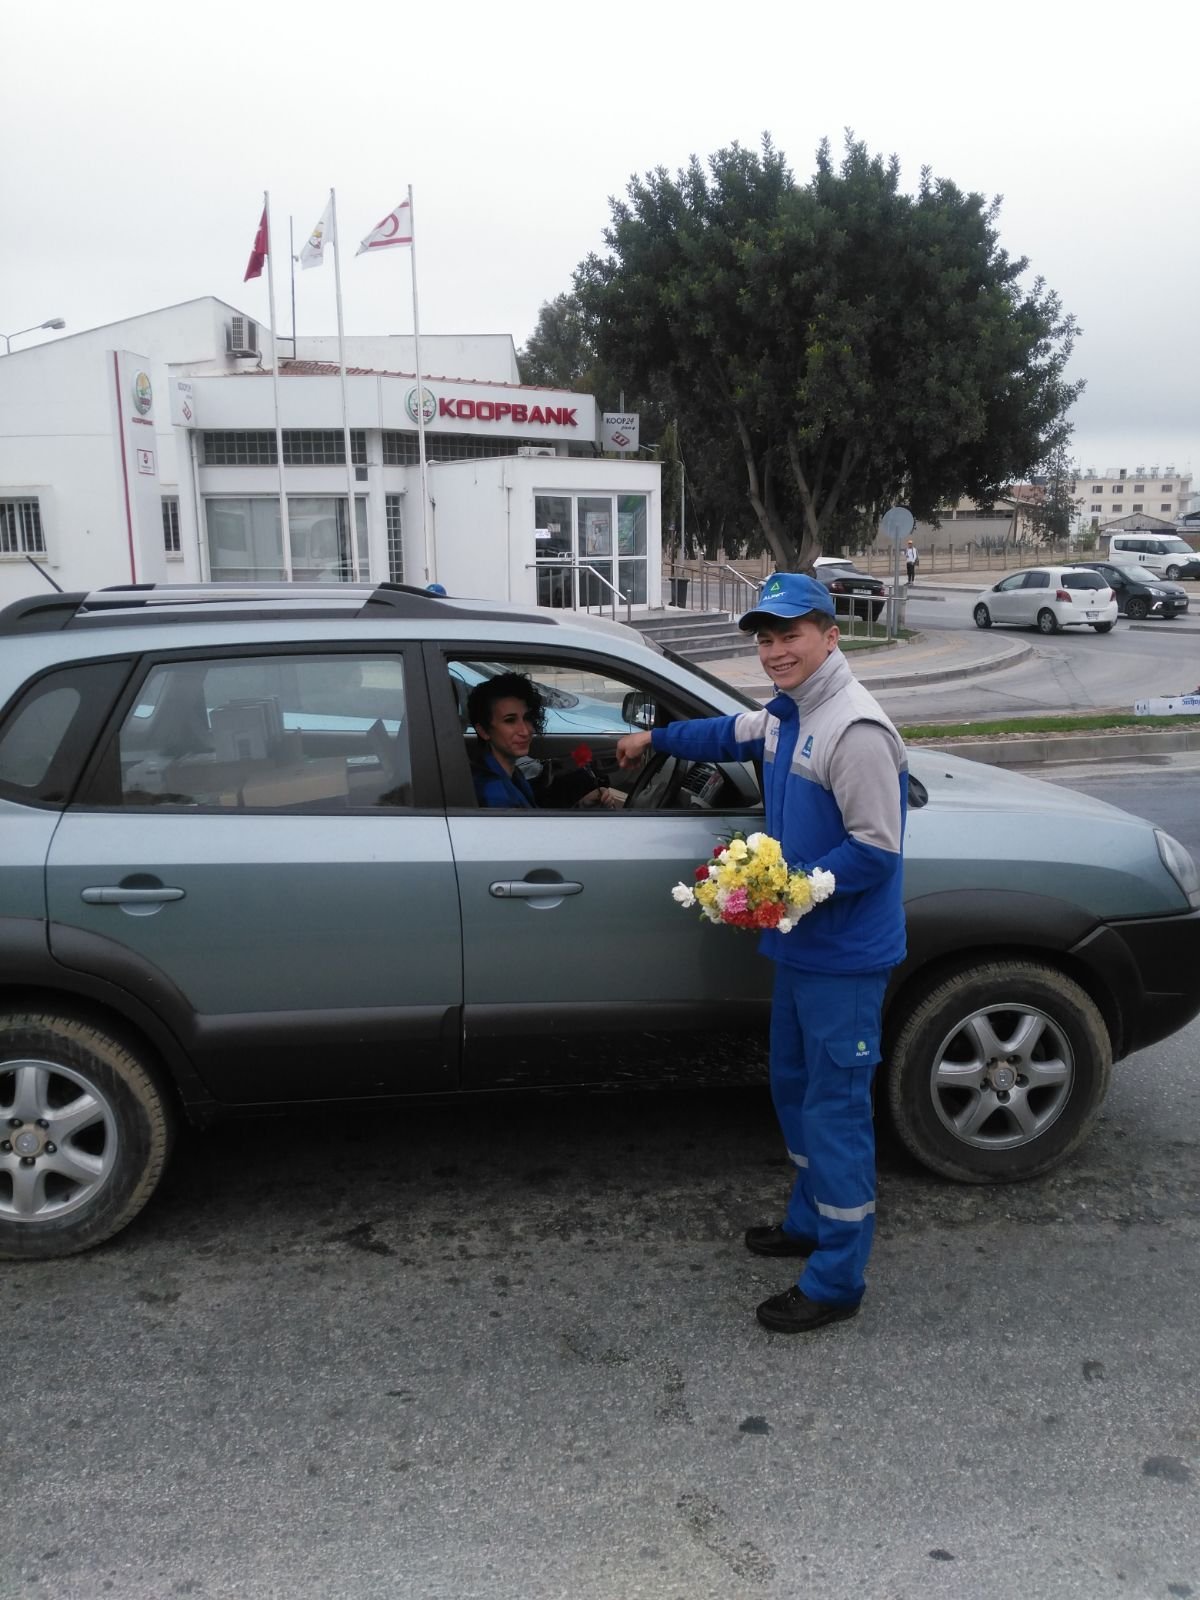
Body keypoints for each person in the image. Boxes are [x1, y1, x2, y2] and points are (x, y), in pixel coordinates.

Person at [616, 572, 908, 1333]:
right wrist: (653, 737)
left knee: (836, 1111)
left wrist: (786, 890)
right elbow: (722, 733)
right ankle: (810, 1222)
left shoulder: (854, 729)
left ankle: (837, 1279)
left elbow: (875, 850)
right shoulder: (786, 712)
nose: (776, 651)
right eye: (766, 638)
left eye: (791, 635)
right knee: (793, 1088)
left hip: (845, 956)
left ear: (830, 636)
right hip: (800, 947)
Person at [467, 672, 625, 810]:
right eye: (510, 721)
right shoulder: (495, 794)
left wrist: (582, 806)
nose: (525, 731)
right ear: (483, 731)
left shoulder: (510, 773)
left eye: (527, 718)